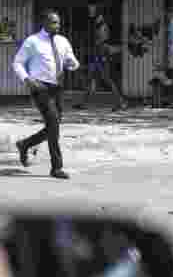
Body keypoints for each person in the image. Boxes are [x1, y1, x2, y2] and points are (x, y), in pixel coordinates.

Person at [12, 10, 80, 179]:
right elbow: (17, 63)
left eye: (58, 22)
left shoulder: (63, 41)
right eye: (53, 23)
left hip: (56, 87)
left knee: (54, 124)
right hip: (40, 87)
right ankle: (56, 167)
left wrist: (72, 64)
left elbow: (72, 61)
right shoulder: (33, 41)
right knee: (53, 123)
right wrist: (27, 80)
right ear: (44, 23)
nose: (57, 26)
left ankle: (25, 144)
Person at [88, 13, 128, 111]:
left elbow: (103, 40)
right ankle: (85, 102)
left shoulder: (103, 27)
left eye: (99, 16)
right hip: (98, 56)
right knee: (92, 78)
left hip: (101, 56)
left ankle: (121, 102)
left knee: (107, 80)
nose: (97, 18)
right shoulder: (98, 27)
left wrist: (101, 54)